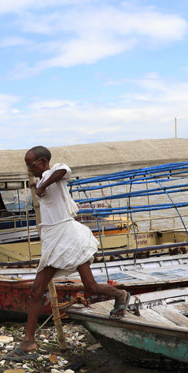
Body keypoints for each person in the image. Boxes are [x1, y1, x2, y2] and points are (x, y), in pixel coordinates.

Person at [12, 146, 130, 359]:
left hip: (69, 236)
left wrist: (42, 185)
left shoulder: (53, 172)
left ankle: (120, 295)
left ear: (42, 161)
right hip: (54, 237)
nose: (30, 169)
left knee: (86, 287)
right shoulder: (41, 179)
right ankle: (28, 342)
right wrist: (38, 185)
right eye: (27, 166)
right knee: (39, 290)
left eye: (32, 165)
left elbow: (64, 170)